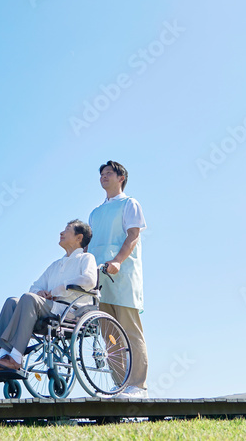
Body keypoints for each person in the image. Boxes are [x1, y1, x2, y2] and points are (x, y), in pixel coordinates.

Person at [0, 221, 97, 375]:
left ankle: (16, 358)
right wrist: (40, 292)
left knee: (28, 298)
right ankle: (3, 356)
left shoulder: (86, 258)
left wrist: (59, 290)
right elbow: (35, 286)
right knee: (12, 302)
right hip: (49, 306)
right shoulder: (56, 264)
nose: (61, 233)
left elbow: (89, 280)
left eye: (67, 230)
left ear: (79, 237)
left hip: (70, 310)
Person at [88, 160, 149, 398]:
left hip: (122, 276)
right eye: (101, 174)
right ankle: (121, 384)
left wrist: (118, 261)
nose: (104, 176)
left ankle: (138, 386)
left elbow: (133, 236)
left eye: (109, 173)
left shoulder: (129, 204)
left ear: (121, 177)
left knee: (130, 332)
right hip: (98, 279)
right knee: (109, 335)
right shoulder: (95, 212)